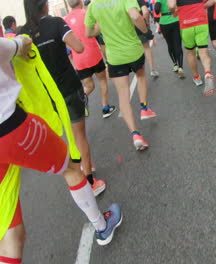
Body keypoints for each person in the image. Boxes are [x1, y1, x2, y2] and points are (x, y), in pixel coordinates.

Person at [0, 35, 122, 264]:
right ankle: (102, 226)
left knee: (9, 228)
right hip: (9, 125)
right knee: (72, 169)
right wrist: (18, 44)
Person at [21, 0, 107, 195]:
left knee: (65, 139)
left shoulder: (22, 34)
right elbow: (78, 47)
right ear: (44, 5)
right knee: (79, 137)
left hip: (47, 97)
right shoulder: (56, 23)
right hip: (68, 88)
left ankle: (84, 169)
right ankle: (90, 182)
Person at [85, 0, 158, 151]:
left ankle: (136, 134)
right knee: (141, 76)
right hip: (133, 51)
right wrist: (146, 32)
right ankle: (144, 108)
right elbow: (136, 17)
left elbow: (89, 32)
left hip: (115, 58)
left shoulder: (93, 5)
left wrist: (103, 28)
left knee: (123, 95)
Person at [65, 0, 117, 119]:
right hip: (93, 55)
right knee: (103, 80)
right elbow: (98, 30)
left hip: (79, 59)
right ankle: (105, 108)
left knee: (89, 86)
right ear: (80, 1)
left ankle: (79, 104)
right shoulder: (87, 13)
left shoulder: (65, 20)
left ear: (68, 4)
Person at [168, 0, 216, 96]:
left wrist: (174, 13)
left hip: (186, 23)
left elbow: (171, 5)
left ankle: (197, 78)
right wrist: (201, 6)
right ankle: (207, 73)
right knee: (203, 51)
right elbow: (213, 1)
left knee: (190, 53)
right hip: (201, 21)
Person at [155, 0, 185, 79]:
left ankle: (175, 64)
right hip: (175, 20)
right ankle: (181, 67)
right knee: (178, 44)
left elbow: (157, 10)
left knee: (170, 44)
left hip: (164, 23)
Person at [136, 0, 160, 79]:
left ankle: (138, 71)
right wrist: (146, 23)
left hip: (128, 29)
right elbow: (145, 12)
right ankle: (152, 70)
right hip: (140, 26)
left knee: (135, 50)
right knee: (146, 48)